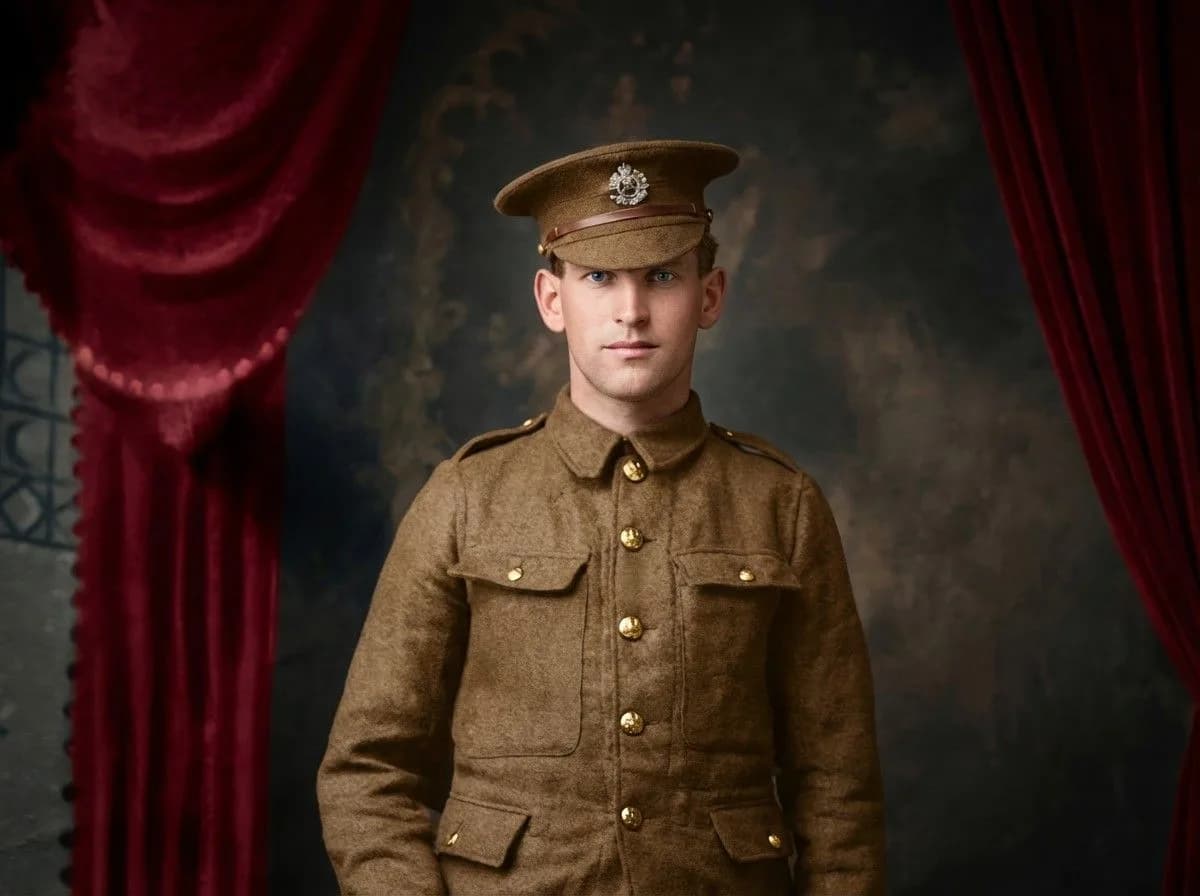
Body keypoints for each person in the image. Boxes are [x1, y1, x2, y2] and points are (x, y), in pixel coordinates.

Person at [316, 138, 887, 895]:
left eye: (660, 276)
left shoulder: (780, 506)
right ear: (552, 301)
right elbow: (367, 771)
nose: (631, 311)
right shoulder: (466, 497)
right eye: (597, 278)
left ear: (709, 295)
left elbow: (837, 787)